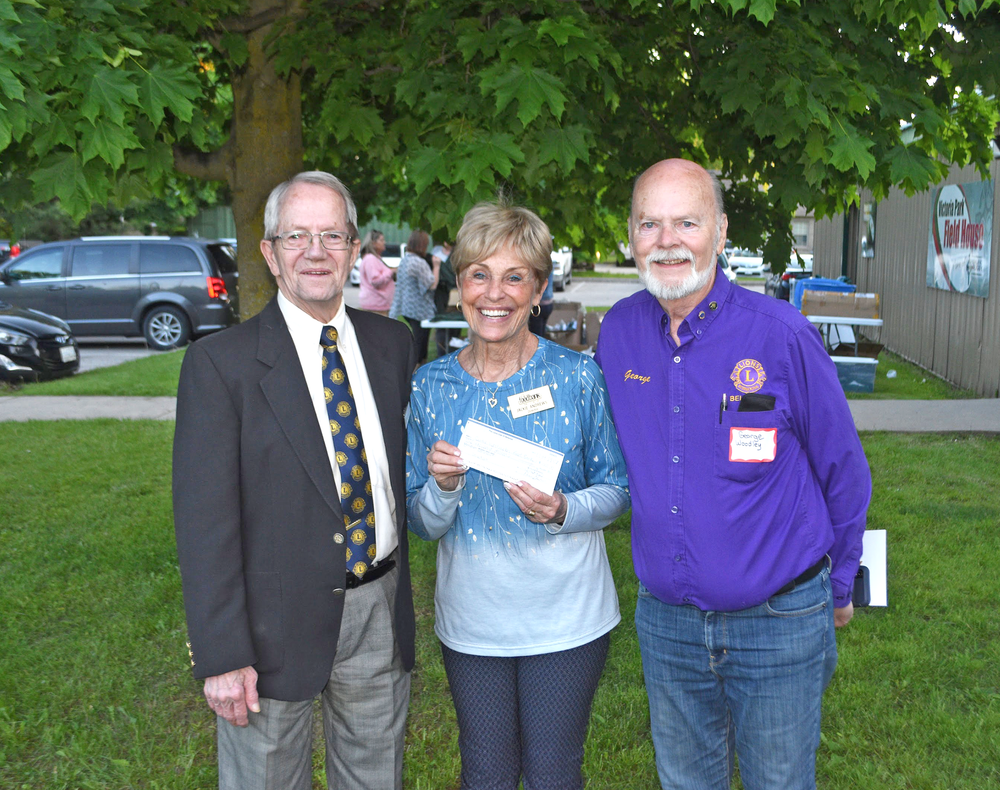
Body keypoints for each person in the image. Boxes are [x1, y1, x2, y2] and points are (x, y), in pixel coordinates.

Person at [595, 159, 871, 790]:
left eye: (687, 223)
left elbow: (844, 469)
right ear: (631, 235)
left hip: (779, 623)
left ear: (720, 232)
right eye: (649, 224)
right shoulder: (619, 333)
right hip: (667, 625)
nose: (667, 241)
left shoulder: (781, 335)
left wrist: (841, 583)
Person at [173, 171, 417, 790]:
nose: (315, 251)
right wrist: (224, 654)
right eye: (296, 236)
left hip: (378, 605)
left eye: (332, 235)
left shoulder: (393, 346)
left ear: (355, 249)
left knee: (375, 777)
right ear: (269, 252)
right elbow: (205, 525)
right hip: (269, 625)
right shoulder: (219, 365)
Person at [406, 201, 630, 790]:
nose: (494, 293)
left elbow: (616, 488)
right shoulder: (430, 386)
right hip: (472, 621)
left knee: (554, 773)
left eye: (514, 277)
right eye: (479, 274)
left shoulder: (578, 377)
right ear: (459, 285)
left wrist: (563, 509)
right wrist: (443, 489)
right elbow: (421, 523)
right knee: (485, 774)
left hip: (566, 619)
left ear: (538, 290)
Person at [389, 229, 437, 362]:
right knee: (420, 345)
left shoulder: (404, 260)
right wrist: (437, 266)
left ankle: (417, 365)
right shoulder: (419, 262)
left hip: (407, 309)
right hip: (419, 310)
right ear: (422, 245)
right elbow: (431, 285)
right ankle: (416, 368)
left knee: (418, 341)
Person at [357, 228, 395, 315]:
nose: (384, 242)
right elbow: (375, 280)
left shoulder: (374, 258)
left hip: (378, 304)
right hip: (375, 306)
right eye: (381, 240)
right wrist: (390, 272)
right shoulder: (370, 259)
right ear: (373, 243)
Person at [430, 243, 458, 357]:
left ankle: (453, 353)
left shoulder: (457, 254)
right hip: (440, 294)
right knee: (441, 326)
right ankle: (441, 354)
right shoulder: (436, 251)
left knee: (455, 326)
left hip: (455, 294)